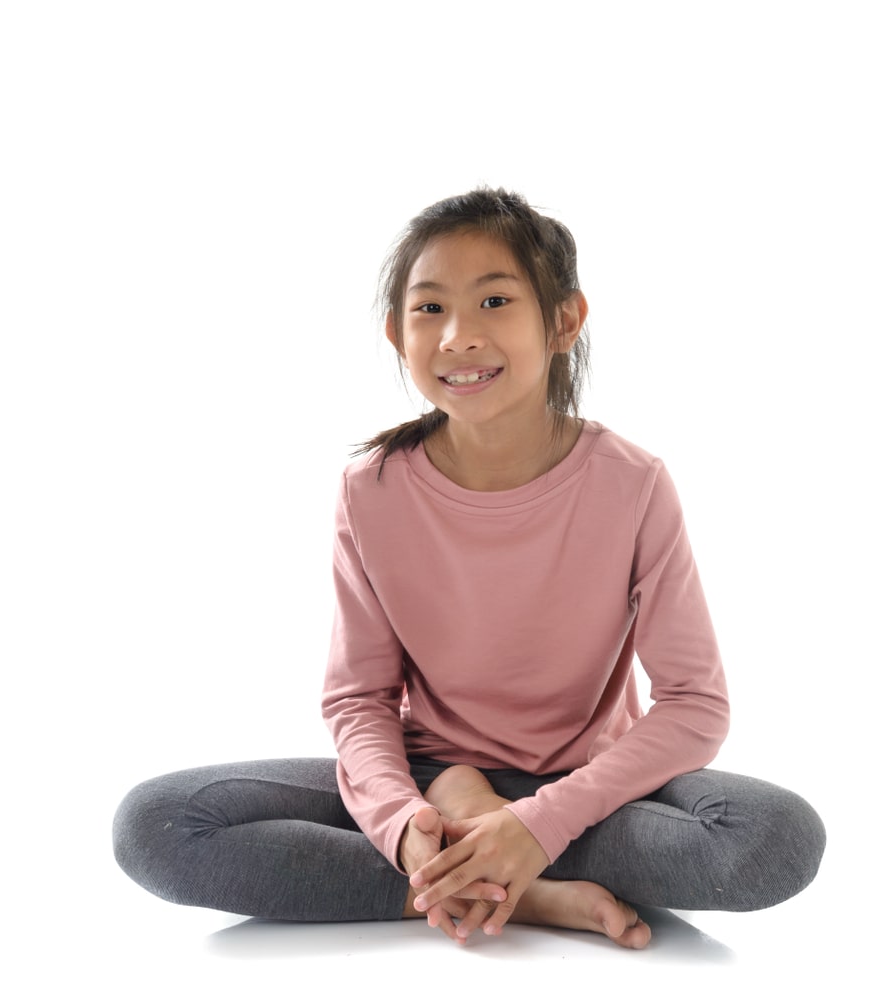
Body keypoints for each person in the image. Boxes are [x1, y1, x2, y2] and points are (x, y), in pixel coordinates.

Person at [114, 188, 825, 949]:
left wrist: (539, 821)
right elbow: (359, 699)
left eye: (494, 301)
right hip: (429, 782)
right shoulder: (373, 491)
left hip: (587, 790)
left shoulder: (632, 484)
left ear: (563, 320)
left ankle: (487, 862)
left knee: (770, 839)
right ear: (396, 333)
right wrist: (403, 824)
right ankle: (527, 894)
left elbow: (694, 704)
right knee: (158, 824)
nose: (458, 336)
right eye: (429, 310)